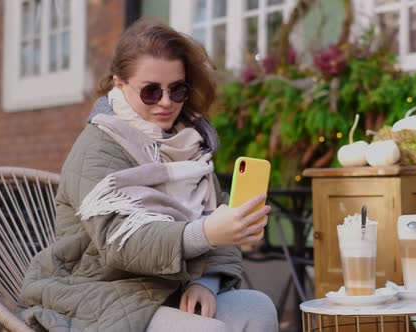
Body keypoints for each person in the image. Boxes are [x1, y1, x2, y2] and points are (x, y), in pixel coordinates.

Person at [18, 18, 278, 332]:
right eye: (151, 91)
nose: (166, 102)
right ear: (119, 84)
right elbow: (122, 242)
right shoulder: (97, 149)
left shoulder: (189, 143)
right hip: (94, 293)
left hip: (169, 288)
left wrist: (207, 281)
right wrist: (206, 233)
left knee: (256, 308)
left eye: (177, 89)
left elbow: (218, 213)